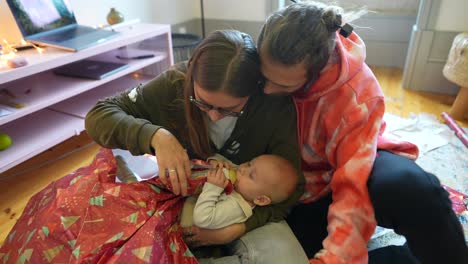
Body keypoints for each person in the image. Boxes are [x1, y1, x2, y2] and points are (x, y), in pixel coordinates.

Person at [257, 2, 468, 264]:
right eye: (264, 77)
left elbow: (351, 186)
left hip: (343, 172)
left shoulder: (356, 98)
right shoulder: (260, 63)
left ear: (318, 71)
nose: (266, 90)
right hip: (289, 187)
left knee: (410, 189)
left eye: (282, 84)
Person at [85, 29, 309, 263]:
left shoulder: (273, 106)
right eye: (202, 103)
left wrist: (239, 228)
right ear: (191, 77)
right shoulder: (174, 85)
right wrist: (158, 136)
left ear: (253, 92)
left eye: (229, 109)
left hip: (241, 212)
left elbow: (292, 187)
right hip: (171, 207)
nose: (213, 117)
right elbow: (99, 116)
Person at [180, 154, 298, 229]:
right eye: (249, 163)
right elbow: (225, 162)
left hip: (178, 223)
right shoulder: (240, 179)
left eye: (251, 175)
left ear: (260, 199)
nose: (242, 169)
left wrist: (213, 188)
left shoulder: (237, 207)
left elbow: (202, 219)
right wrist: (215, 162)